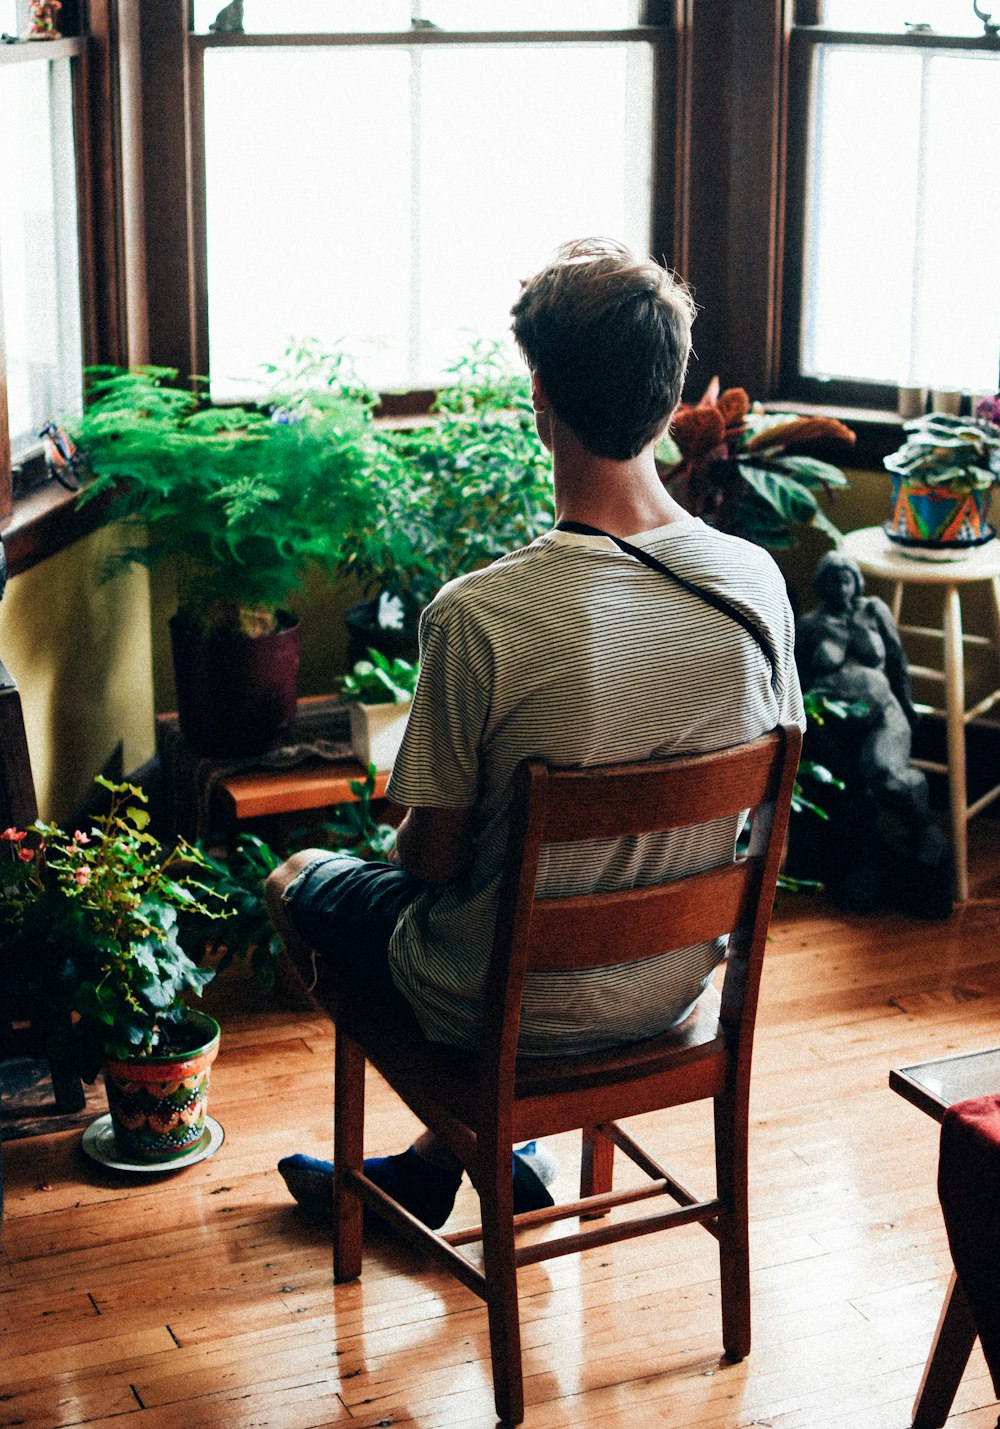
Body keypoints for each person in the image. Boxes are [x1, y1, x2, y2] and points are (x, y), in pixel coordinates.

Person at [268, 237, 805, 1229]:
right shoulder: (754, 582)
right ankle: (448, 1159)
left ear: (539, 396)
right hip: (673, 985)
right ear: (670, 385)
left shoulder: (480, 616)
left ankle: (474, 1140)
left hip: (496, 1011)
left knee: (298, 882)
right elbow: (765, 807)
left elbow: (430, 862)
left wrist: (403, 822)